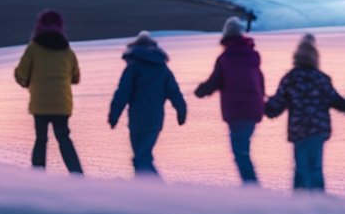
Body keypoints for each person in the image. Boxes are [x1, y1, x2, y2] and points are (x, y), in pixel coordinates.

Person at [264, 34, 345, 191]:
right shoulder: (321, 79)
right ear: (315, 58)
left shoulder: (291, 78)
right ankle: (317, 202)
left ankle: (300, 203)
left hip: (299, 130)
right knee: (315, 168)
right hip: (318, 130)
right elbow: (336, 100)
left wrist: (264, 107)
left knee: (301, 168)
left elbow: (277, 104)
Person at [195, 16, 266, 184]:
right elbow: (260, 81)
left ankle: (252, 187)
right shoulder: (253, 56)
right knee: (242, 150)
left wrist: (201, 91)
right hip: (253, 110)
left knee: (240, 152)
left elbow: (214, 82)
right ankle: (250, 186)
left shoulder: (225, 58)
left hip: (236, 110)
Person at [108, 31, 187, 176]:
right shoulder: (162, 69)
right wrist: (181, 111)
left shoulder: (132, 68)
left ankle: (154, 190)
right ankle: (145, 190)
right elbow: (174, 92)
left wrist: (114, 115)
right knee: (143, 155)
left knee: (140, 157)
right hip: (154, 120)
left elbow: (122, 93)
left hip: (137, 120)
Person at [14, 9, 83, 174]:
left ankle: (38, 175)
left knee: (41, 139)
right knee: (64, 138)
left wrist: (26, 82)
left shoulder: (34, 48)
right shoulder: (67, 50)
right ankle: (76, 173)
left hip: (41, 103)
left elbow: (21, 73)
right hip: (62, 103)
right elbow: (75, 77)